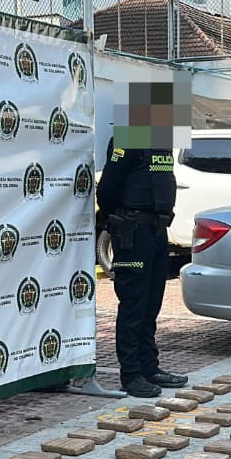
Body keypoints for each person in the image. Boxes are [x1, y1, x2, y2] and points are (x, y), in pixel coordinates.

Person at [98, 133, 188, 397]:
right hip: (133, 232)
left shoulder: (162, 140)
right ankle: (131, 374)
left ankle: (150, 368)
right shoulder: (128, 138)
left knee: (152, 304)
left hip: (157, 232)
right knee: (134, 303)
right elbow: (107, 189)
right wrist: (121, 220)